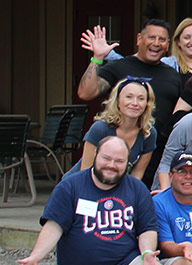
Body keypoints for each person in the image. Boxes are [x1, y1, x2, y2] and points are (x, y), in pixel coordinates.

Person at [16, 135, 166, 265]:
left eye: (119, 161)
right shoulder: (70, 187)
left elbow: (147, 229)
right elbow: (54, 227)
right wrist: (35, 257)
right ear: (95, 156)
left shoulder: (137, 189)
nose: (112, 166)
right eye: (106, 158)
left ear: (127, 163)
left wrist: (148, 253)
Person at [77, 19, 184, 161]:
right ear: (139, 39)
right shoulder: (119, 67)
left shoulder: (173, 75)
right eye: (151, 37)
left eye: (162, 39)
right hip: (118, 153)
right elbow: (85, 93)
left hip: (159, 155)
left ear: (168, 44)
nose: (156, 43)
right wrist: (97, 58)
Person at [73, 78, 157, 183]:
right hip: (82, 184)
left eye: (141, 99)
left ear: (147, 104)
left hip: (115, 187)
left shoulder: (148, 133)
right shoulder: (100, 129)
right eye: (129, 97)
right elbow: (85, 170)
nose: (135, 103)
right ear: (117, 101)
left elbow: (137, 175)